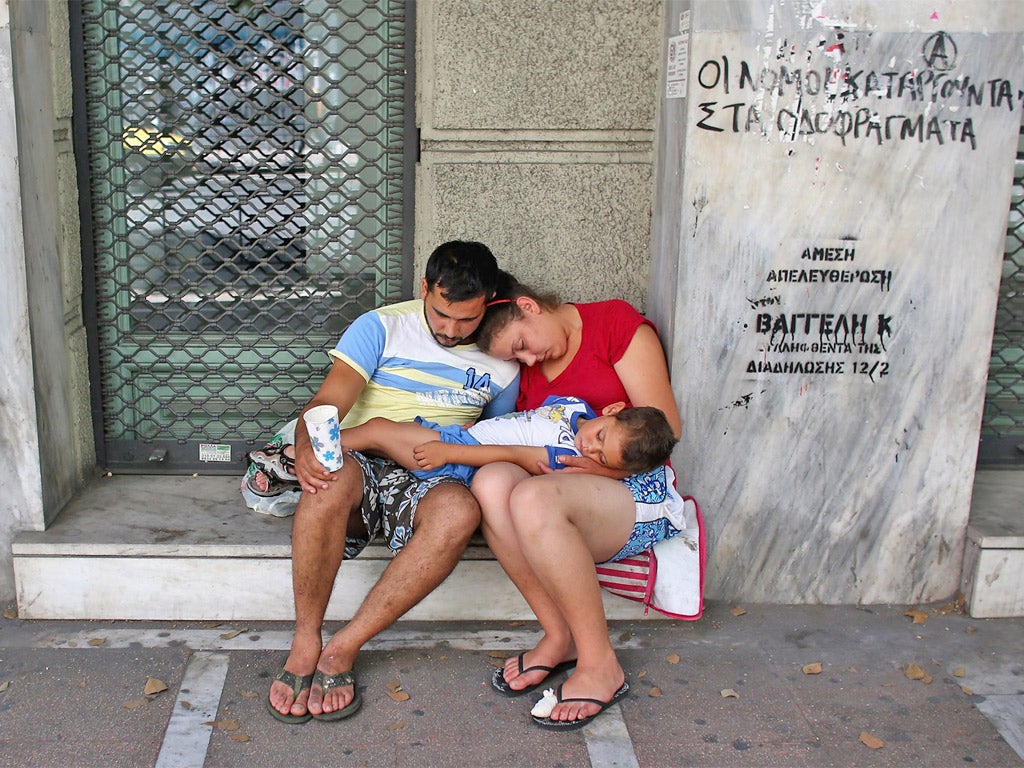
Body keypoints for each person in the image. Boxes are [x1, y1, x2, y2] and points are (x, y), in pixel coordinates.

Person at [265, 241, 519, 724]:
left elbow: (492, 440)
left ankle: (344, 647)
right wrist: (304, 448)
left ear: (488, 300)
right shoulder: (382, 326)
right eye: (441, 313)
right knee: (328, 480)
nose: (450, 330)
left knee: (459, 512)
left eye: (466, 320)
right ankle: (305, 639)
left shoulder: (503, 363)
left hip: (434, 475)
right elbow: (327, 402)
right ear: (425, 289)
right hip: (362, 459)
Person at [470, 276, 685, 730]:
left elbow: (667, 432)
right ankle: (559, 634)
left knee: (532, 497)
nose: (527, 359)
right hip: (562, 489)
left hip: (635, 490)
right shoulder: (532, 368)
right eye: (516, 357)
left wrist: (591, 468)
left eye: (523, 344)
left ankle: (600, 663)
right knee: (490, 483)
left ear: (530, 306)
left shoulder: (614, 324)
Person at [337, 395, 678, 484]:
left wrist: (448, 451)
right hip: (461, 438)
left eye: (600, 457)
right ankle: (313, 454)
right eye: (600, 436)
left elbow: (513, 452)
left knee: (377, 431)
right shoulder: (575, 406)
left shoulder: (563, 456)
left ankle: (302, 453)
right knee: (377, 436)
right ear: (613, 409)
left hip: (462, 458)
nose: (590, 448)